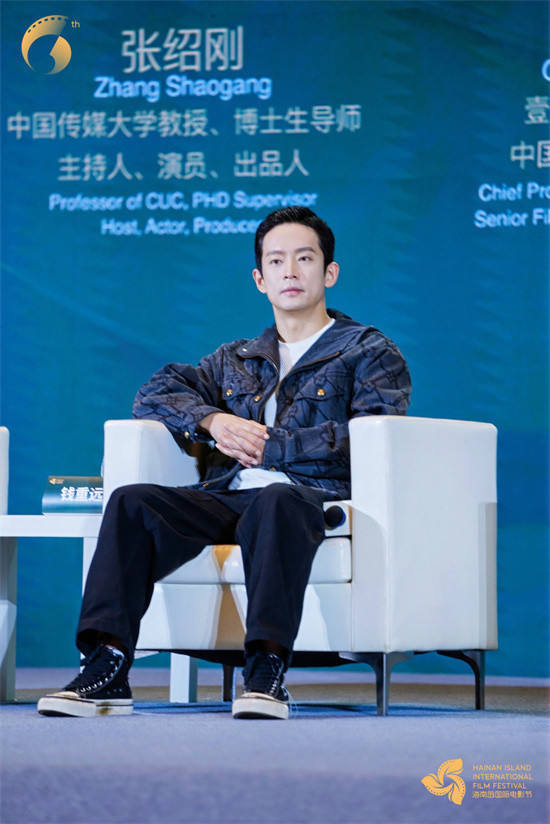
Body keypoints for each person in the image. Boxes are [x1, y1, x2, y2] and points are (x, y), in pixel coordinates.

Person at [37, 206, 411, 721]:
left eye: (304, 258)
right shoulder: (236, 358)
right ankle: (107, 665)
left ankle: (265, 673)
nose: (290, 271)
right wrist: (212, 420)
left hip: (311, 498)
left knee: (277, 501)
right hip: (229, 496)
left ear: (330, 273)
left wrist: (274, 447)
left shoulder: (368, 350)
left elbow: (373, 434)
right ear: (260, 279)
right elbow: (153, 394)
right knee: (131, 503)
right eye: (276, 261)